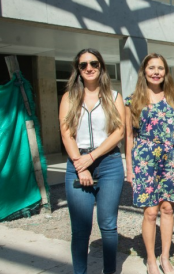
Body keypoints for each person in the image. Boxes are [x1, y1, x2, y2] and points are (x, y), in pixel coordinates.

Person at [59, 48, 125, 274]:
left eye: (93, 64)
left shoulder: (114, 97)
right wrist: (81, 165)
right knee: (80, 229)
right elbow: (66, 132)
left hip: (108, 163)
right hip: (77, 164)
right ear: (78, 69)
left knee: (108, 225)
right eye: (83, 65)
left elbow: (119, 132)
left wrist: (91, 157)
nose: (89, 68)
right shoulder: (69, 97)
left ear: (101, 67)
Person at [124, 53, 174, 274]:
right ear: (144, 71)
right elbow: (128, 136)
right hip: (145, 160)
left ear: (165, 72)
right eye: (151, 68)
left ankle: (165, 257)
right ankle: (151, 260)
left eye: (160, 68)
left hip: (170, 159)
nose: (156, 72)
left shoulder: (171, 97)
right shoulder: (132, 100)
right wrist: (129, 169)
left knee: (167, 209)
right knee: (150, 212)